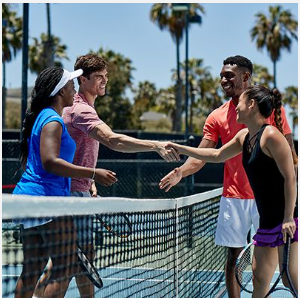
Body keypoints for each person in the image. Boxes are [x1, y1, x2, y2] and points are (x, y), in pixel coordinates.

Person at [159, 55, 297, 297]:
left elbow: (290, 171)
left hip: (280, 215)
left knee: (288, 277)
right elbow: (213, 154)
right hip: (251, 211)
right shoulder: (236, 131)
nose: (223, 80)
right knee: (250, 275)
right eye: (221, 75)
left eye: (229, 76)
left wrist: (289, 215)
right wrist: (180, 159)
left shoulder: (272, 129)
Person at [60, 53, 180, 297]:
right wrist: (155, 146)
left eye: (106, 77)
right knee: (69, 264)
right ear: (82, 80)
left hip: (77, 191)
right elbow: (114, 141)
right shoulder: (80, 110)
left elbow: (76, 152)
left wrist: (90, 182)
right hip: (70, 195)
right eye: (98, 77)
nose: (104, 81)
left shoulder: (80, 107)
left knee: (81, 258)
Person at [13, 67, 118, 298]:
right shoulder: (52, 120)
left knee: (31, 270)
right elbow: (50, 162)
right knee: (66, 266)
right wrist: (93, 173)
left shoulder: (43, 117)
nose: (74, 89)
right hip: (48, 201)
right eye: (71, 84)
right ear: (60, 91)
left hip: (30, 200)